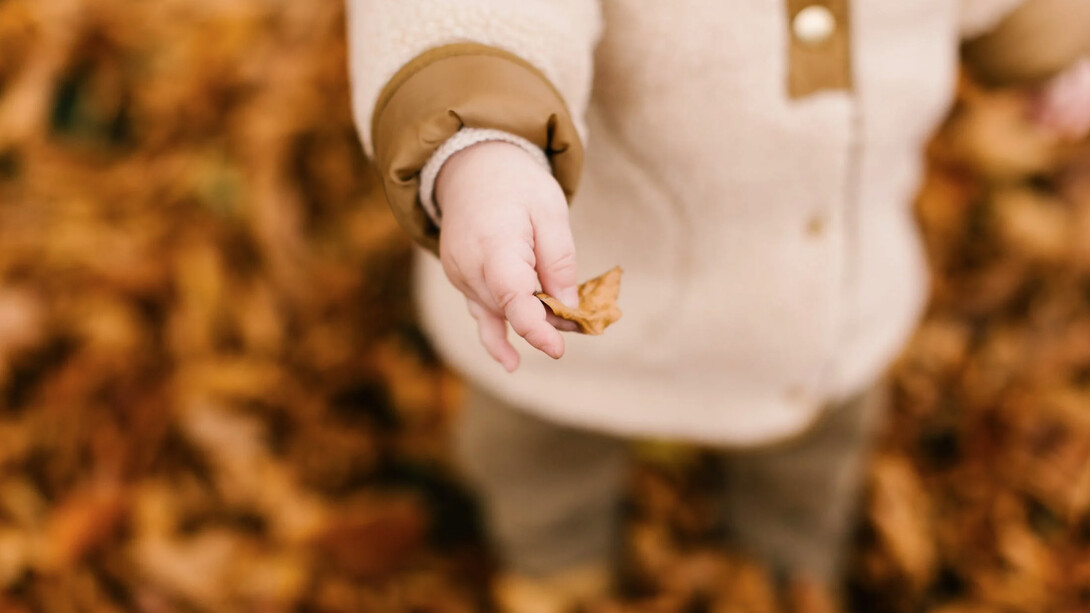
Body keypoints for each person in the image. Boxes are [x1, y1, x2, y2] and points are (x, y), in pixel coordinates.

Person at [347, 1, 1090, 610]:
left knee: (812, 461)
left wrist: (1057, 43)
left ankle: (784, 574)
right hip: (566, 296)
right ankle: (556, 564)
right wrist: (481, 148)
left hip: (818, 303)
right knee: (536, 455)